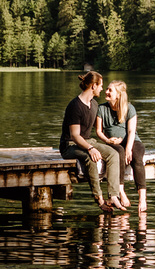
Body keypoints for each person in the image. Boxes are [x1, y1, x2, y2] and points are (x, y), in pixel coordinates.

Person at [59, 70, 123, 212]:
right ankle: (99, 199)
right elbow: (75, 136)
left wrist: (110, 139)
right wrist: (90, 148)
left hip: (88, 141)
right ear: (93, 86)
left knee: (113, 154)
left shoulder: (94, 105)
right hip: (69, 145)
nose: (102, 89)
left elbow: (99, 128)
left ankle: (113, 195)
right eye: (100, 86)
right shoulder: (75, 106)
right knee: (91, 158)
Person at [97, 80, 147, 215]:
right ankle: (121, 191)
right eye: (106, 89)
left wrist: (129, 148)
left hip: (131, 141)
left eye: (110, 90)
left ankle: (142, 198)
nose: (106, 92)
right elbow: (98, 131)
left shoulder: (129, 108)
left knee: (137, 157)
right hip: (113, 143)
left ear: (118, 95)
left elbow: (131, 131)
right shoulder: (102, 108)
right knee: (118, 154)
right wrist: (108, 140)